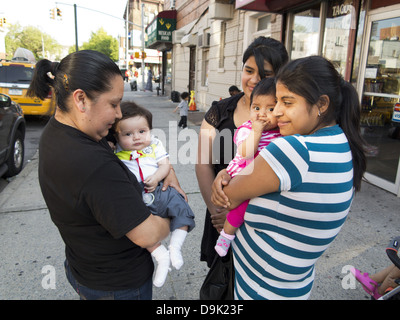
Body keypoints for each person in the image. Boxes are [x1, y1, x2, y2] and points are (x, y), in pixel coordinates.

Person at [27, 50, 186, 300]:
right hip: (117, 284)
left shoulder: (62, 130)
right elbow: (148, 234)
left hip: (87, 267)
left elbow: (140, 143)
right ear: (81, 100)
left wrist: (169, 171)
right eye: (113, 104)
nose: (119, 113)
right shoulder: (93, 164)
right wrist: (174, 211)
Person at [211, 55, 367, 299]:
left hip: (262, 288)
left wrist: (224, 175)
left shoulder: (294, 150)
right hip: (293, 284)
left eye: (287, 102)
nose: (278, 113)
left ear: (322, 104)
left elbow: (227, 197)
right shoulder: (339, 142)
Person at [196, 36, 289, 268]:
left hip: (263, 219)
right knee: (219, 281)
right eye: (249, 70)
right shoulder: (219, 111)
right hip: (220, 212)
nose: (254, 80)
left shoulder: (285, 117)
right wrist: (216, 210)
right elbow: (203, 163)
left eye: (265, 74)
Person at [113, 101, 195, 287]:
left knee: (181, 205)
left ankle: (176, 246)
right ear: (117, 136)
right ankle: (160, 256)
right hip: (136, 195)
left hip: (159, 189)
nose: (136, 138)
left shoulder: (155, 145)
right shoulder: (116, 152)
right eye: (128, 134)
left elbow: (165, 165)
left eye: (142, 131)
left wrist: (158, 177)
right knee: (137, 227)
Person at [214, 77, 281, 257]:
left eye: (271, 109)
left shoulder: (281, 133)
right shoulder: (247, 129)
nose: (261, 114)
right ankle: (226, 236)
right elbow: (245, 153)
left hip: (260, 178)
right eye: (256, 108)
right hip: (242, 173)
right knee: (242, 207)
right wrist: (257, 132)